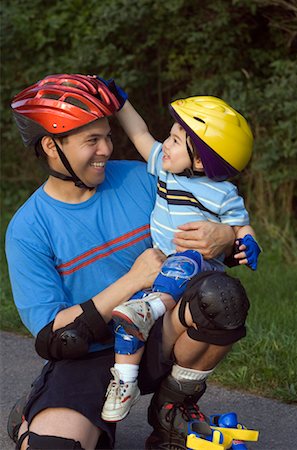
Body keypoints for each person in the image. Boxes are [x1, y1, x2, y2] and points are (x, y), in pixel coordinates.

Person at [6, 73, 248, 450]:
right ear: (53, 146)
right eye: (92, 140)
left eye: (107, 135)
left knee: (220, 297)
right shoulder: (29, 228)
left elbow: (219, 217)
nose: (106, 148)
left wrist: (225, 237)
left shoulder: (139, 179)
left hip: (157, 336)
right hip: (87, 356)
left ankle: (173, 411)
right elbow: (54, 336)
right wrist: (133, 280)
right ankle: (38, 410)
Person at [100, 87, 261, 424]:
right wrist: (121, 102)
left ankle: (154, 309)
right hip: (163, 275)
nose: (165, 144)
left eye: (175, 140)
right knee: (129, 323)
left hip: (198, 271)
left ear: (202, 159)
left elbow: (241, 226)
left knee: (180, 262)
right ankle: (124, 383)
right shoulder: (165, 167)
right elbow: (138, 132)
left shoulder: (223, 195)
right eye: (170, 137)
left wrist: (249, 244)